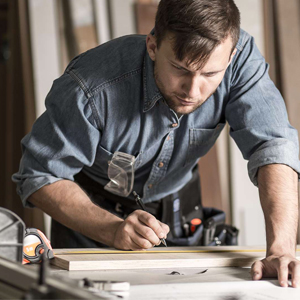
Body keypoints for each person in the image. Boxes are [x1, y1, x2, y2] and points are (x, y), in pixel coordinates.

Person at [13, 0, 300, 288]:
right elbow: (39, 176)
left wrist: (280, 249)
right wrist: (112, 229)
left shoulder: (239, 60)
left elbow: (273, 147)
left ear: (231, 57)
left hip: (178, 208)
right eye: (180, 69)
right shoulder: (90, 87)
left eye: (210, 75)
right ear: (152, 46)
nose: (192, 90)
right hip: (92, 213)